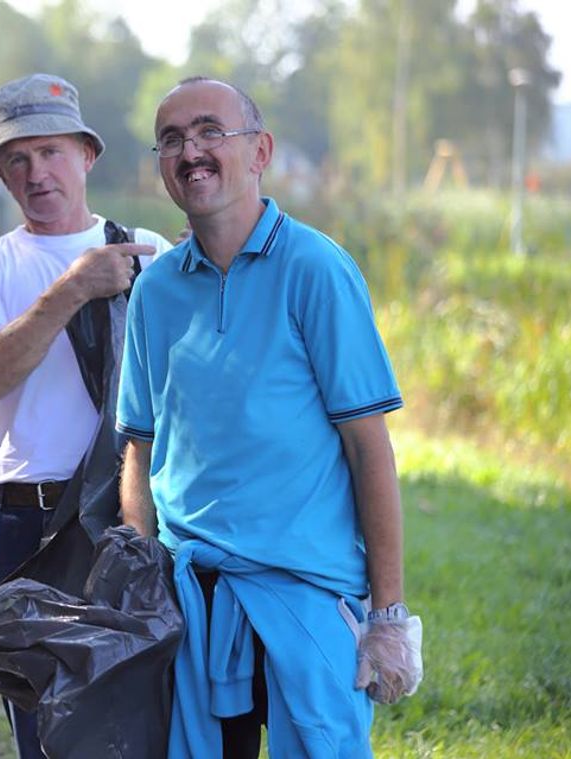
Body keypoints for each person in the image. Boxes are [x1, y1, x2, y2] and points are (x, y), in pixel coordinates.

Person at [117, 76, 423, 757]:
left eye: (208, 132)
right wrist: (140, 578)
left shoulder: (315, 268)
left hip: (305, 595)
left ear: (260, 152)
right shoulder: (157, 291)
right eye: (172, 140)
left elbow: (368, 446)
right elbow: (139, 448)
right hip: (190, 595)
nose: (190, 151)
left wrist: (389, 615)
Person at [0, 72, 173, 757]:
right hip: (27, 524)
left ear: (86, 155)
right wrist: (73, 288)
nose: (35, 171)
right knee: (42, 729)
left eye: (49, 152)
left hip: (130, 521)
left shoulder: (150, 252)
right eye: (16, 158)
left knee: (136, 717)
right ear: (0, 175)